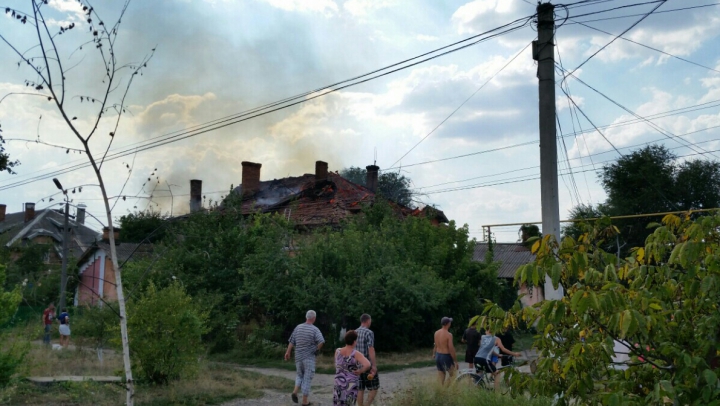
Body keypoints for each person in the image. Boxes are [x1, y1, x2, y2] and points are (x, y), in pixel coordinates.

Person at [285, 310, 325, 406]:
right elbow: (321, 341)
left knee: (299, 375)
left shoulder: (298, 327)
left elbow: (292, 341)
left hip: (298, 357)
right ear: (314, 318)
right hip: (309, 358)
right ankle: (305, 401)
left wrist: (288, 352)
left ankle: (295, 391)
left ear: (306, 317)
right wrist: (316, 350)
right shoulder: (315, 329)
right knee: (307, 377)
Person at [474, 327, 521, 391]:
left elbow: (486, 349)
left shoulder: (482, 337)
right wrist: (514, 354)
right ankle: (496, 393)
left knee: (479, 375)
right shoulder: (496, 339)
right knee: (497, 373)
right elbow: (503, 349)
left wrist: (498, 355)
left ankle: (477, 391)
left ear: (486, 331)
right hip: (485, 359)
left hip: (477, 358)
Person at [334, 330, 371, 406]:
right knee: (349, 403)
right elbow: (367, 364)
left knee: (338, 402)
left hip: (338, 381)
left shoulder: (338, 351)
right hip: (351, 383)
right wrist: (360, 371)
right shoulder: (356, 354)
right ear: (354, 341)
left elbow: (336, 364)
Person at [355, 314, 378, 406]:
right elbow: (371, 349)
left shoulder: (354, 332)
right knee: (374, 387)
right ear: (368, 321)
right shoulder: (369, 332)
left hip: (357, 365)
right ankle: (367, 405)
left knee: (360, 388)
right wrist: (374, 365)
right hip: (367, 364)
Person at [432, 317, 457, 384]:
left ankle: (441, 391)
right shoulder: (449, 335)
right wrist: (455, 361)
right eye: (450, 322)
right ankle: (445, 389)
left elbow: (436, 345)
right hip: (445, 356)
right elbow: (451, 348)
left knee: (442, 376)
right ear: (448, 324)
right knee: (453, 374)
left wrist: (434, 353)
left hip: (438, 355)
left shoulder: (436, 332)